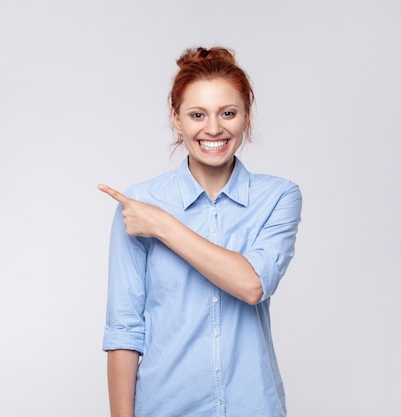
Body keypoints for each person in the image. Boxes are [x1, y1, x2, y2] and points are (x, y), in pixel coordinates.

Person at [98, 46, 302, 417]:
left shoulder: (278, 197)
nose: (213, 128)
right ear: (177, 120)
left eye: (228, 113)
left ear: (246, 117)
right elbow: (124, 330)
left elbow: (252, 284)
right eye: (197, 114)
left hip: (252, 406)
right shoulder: (139, 203)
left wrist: (164, 225)